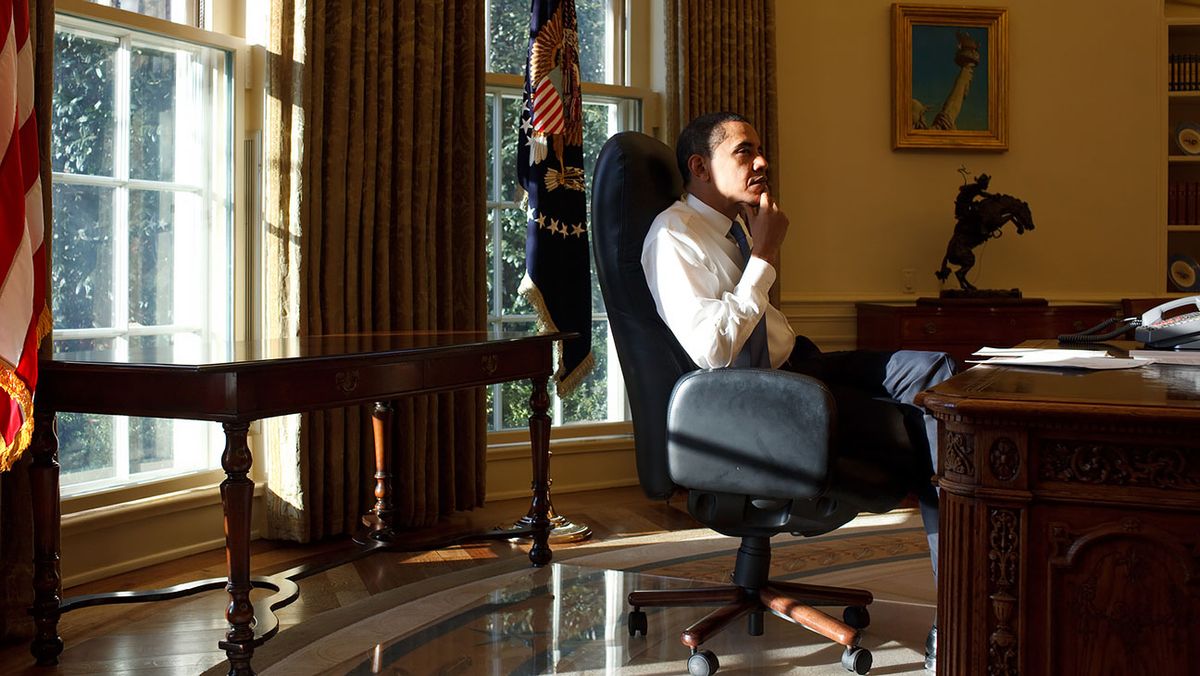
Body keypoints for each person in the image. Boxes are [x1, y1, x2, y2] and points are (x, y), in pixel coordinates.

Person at [641, 111, 955, 672]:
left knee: (936, 375)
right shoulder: (673, 237)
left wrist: (756, 247)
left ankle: (964, 578)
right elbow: (713, 350)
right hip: (755, 405)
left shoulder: (733, 226)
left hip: (797, 366)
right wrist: (763, 257)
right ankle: (959, 608)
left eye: (761, 150)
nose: (762, 162)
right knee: (916, 425)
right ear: (699, 167)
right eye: (744, 152)